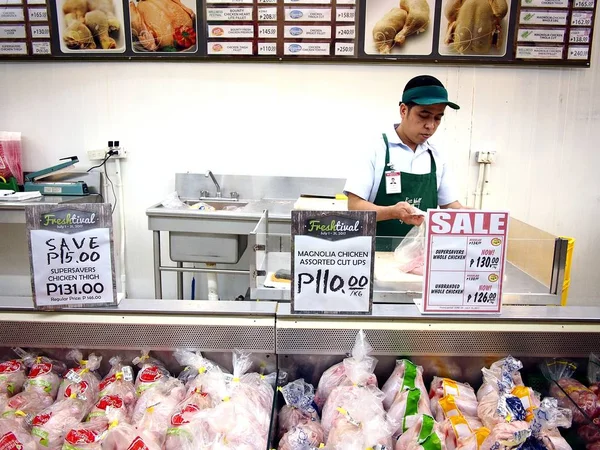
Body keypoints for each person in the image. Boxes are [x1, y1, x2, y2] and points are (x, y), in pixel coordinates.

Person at [344, 75, 467, 250]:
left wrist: (470, 216)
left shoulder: (437, 156)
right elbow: (354, 207)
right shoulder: (375, 149)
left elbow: (449, 205)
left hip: (418, 256)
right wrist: (392, 212)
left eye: (438, 118)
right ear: (403, 110)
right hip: (374, 252)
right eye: (424, 115)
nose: (430, 125)